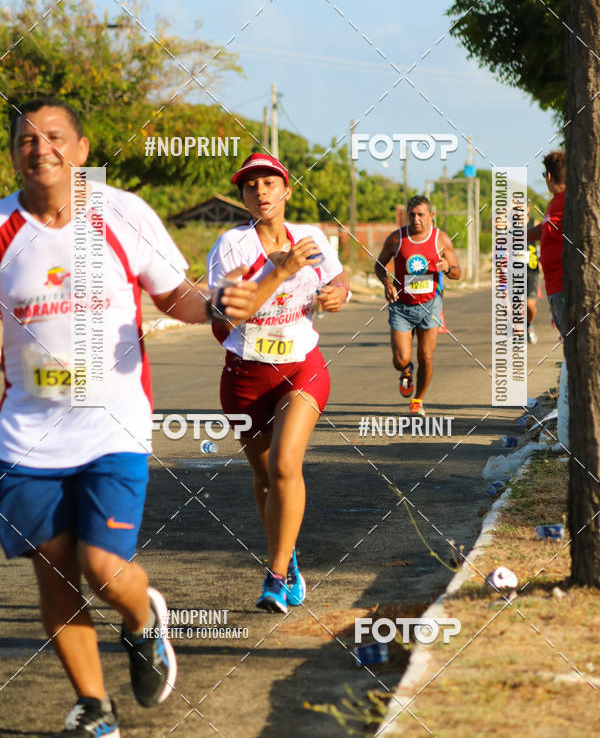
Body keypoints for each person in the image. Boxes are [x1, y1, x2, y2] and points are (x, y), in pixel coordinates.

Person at [0, 98, 258, 737]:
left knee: (103, 566)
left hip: (111, 422)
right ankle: (95, 707)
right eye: (26, 140)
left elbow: (176, 297)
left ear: (81, 150)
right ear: (13, 154)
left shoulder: (118, 211)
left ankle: (143, 620)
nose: (41, 150)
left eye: (54, 137)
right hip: (26, 433)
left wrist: (222, 303)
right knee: (54, 569)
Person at [207, 152, 350, 614]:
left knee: (286, 466)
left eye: (270, 183)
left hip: (301, 367)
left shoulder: (311, 237)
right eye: (251, 186)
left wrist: (338, 294)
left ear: (287, 190)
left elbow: (339, 280)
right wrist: (282, 271)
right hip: (245, 376)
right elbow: (234, 312)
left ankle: (274, 576)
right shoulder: (231, 247)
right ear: (243, 196)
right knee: (266, 477)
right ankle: (287, 556)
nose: (261, 192)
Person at [374, 195, 461, 416]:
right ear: (406, 216)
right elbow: (378, 264)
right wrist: (387, 283)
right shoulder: (396, 239)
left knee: (426, 357)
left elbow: (458, 272)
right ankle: (405, 371)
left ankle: (417, 402)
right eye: (412, 215)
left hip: (429, 306)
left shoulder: (440, 239)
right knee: (400, 359)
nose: (416, 219)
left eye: (421, 214)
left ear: (431, 215)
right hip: (401, 306)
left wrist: (447, 268)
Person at [527, 150, 567, 447]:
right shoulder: (566, 200)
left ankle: (569, 430)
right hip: (558, 283)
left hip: (563, 285)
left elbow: (546, 230)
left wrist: (520, 234)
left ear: (550, 177)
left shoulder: (561, 201)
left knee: (574, 351)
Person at [526, 198, 540, 344]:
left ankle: (529, 325)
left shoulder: (534, 224)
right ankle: (517, 335)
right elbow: (495, 223)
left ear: (528, 208)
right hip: (514, 270)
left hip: (532, 269)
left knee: (530, 306)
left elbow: (547, 238)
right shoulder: (509, 224)